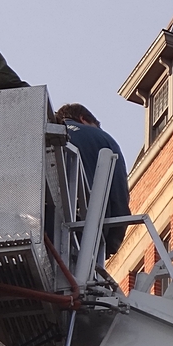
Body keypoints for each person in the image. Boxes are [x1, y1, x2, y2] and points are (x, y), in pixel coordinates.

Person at [54, 104, 131, 255]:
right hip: (82, 228)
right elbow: (118, 194)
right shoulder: (103, 139)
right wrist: (112, 242)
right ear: (83, 119)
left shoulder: (42, 131)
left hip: (39, 219)